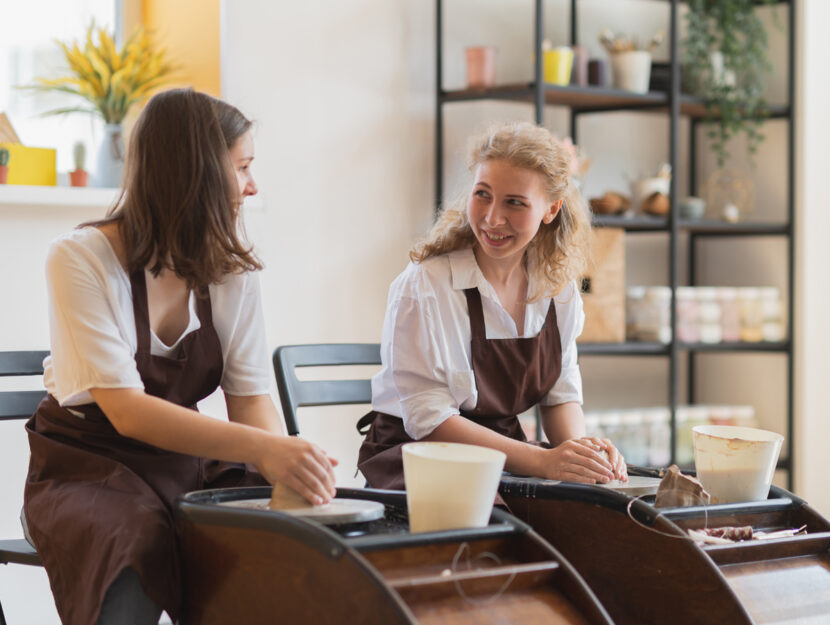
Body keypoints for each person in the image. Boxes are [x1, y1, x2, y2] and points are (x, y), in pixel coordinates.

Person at [22, 89, 337, 625]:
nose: (252, 186)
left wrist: (290, 470)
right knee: (134, 541)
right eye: (243, 167)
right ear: (197, 172)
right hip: (86, 467)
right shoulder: (80, 258)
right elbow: (128, 411)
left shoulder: (232, 268)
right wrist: (267, 447)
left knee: (278, 529)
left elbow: (251, 400)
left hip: (183, 461)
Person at [357, 121, 627, 490]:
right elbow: (429, 420)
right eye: (483, 194)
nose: (492, 217)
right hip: (418, 458)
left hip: (506, 461)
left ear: (551, 210)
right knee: (512, 529)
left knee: (595, 515)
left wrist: (582, 455)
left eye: (515, 203)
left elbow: (560, 394)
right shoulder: (426, 285)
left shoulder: (558, 289)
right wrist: (542, 461)